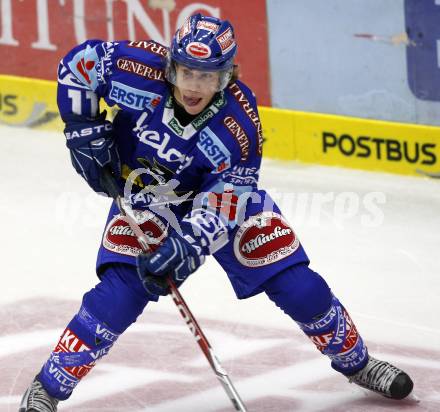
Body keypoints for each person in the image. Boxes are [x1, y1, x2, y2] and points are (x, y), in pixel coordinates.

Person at [19, 14, 413, 411]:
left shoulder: (239, 125)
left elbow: (230, 195)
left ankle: (358, 363)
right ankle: (47, 388)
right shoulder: (135, 68)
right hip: (148, 195)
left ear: (228, 76)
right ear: (171, 66)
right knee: (119, 295)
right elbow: (80, 64)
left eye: (208, 77)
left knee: (298, 285)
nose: (193, 86)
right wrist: (82, 127)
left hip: (223, 203)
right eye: (187, 72)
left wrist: (189, 245)